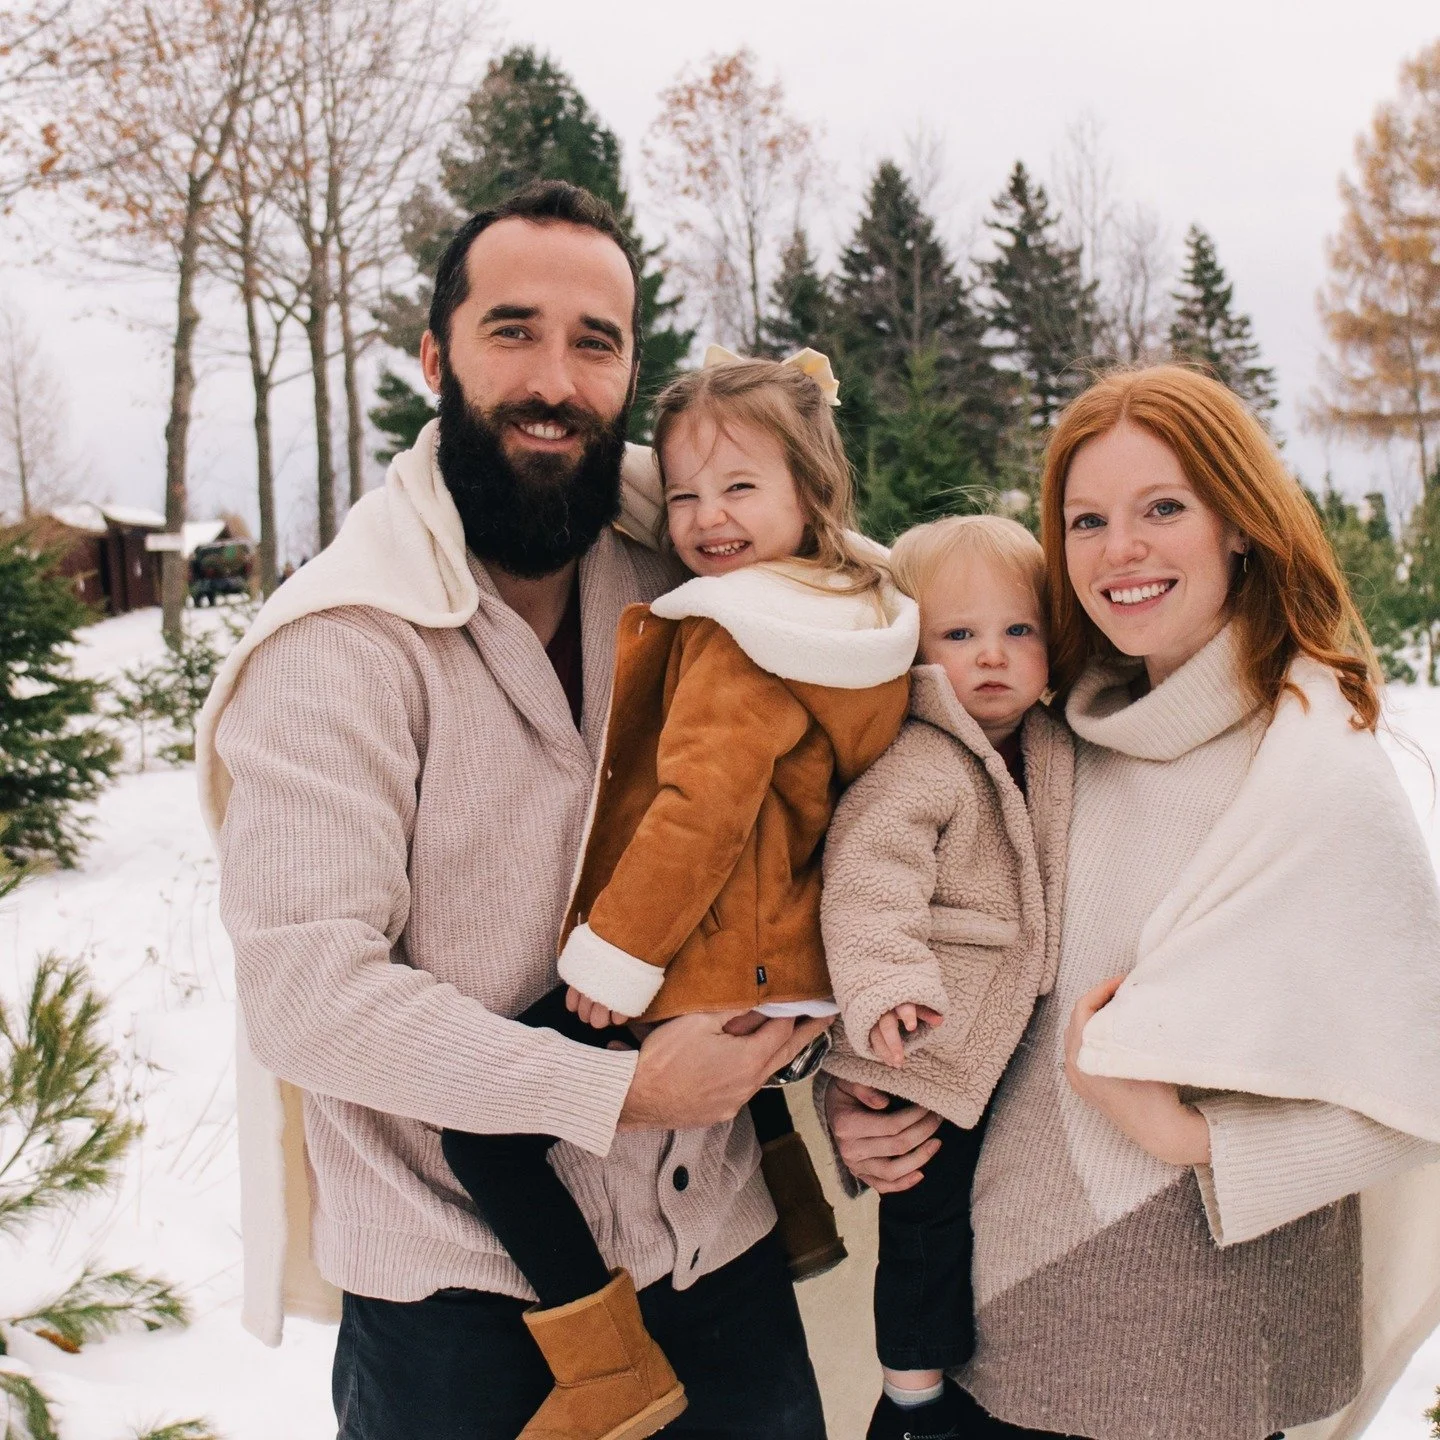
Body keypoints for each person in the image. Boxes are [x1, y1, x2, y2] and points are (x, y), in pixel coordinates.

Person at [199, 182, 835, 1440]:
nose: (556, 377)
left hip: (724, 1268)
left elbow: (847, 764)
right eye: (513, 330)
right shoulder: (342, 644)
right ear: (437, 355)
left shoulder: (697, 572)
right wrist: (613, 1092)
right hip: (461, 1318)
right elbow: (310, 996)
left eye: (595, 342)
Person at [822, 365, 1440, 1440]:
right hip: (979, 1334)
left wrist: (1199, 1139)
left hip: (1194, 1353)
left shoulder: (1311, 768)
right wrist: (863, 1108)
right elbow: (954, 956)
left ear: (1239, 524)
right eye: (1088, 520)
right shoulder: (1051, 743)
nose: (1122, 550)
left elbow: (1413, 1083)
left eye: (1164, 508)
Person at [441, 345, 917, 1440]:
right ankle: (791, 1213)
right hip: (782, 948)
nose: (706, 517)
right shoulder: (847, 621)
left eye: (742, 488)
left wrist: (614, 956)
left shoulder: (737, 635)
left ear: (811, 490)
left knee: (487, 1135)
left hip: (700, 946)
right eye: (688, 493)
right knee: (729, 1076)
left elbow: (699, 810)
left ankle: (605, 1366)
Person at [818, 515, 1073, 1440]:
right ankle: (912, 1397)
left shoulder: (1057, 748)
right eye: (958, 636)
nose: (992, 659)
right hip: (918, 1039)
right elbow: (868, 879)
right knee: (924, 1223)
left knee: (980, 1222)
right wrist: (885, 986)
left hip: (1000, 1041)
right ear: (913, 648)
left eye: (1019, 631)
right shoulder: (918, 759)